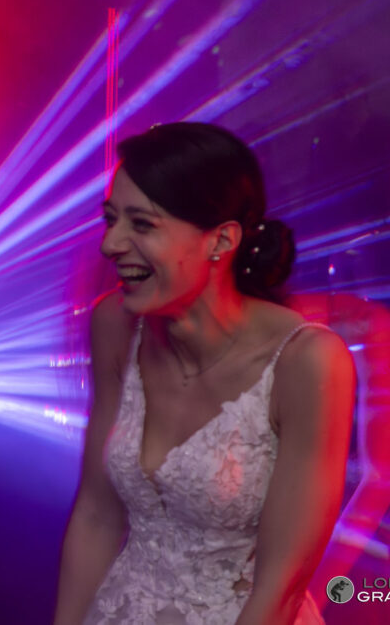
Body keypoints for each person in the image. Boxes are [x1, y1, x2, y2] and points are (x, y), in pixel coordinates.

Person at [54, 122, 355, 624]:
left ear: (221, 240)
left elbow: (281, 586)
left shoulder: (306, 361)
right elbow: (96, 515)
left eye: (141, 225)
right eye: (111, 220)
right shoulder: (114, 324)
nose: (110, 244)